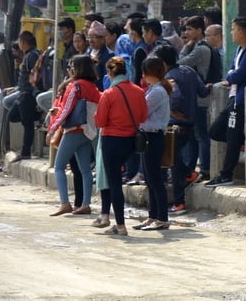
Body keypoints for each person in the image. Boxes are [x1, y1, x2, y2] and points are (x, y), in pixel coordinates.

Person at [153, 45, 209, 215]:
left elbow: (175, 99)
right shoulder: (189, 71)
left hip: (175, 124)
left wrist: (171, 110)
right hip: (190, 122)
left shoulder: (169, 77)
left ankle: (179, 203)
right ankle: (190, 174)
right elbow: (203, 91)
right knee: (176, 159)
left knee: (174, 164)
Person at [94, 57, 147, 236]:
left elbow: (100, 121)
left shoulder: (109, 94)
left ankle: (121, 225)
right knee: (119, 181)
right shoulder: (139, 91)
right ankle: (118, 223)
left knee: (114, 183)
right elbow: (143, 116)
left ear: (110, 73)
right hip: (131, 141)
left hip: (112, 141)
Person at [46, 55, 101, 216]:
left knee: (59, 167)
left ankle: (64, 202)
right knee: (85, 170)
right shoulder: (92, 86)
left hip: (73, 130)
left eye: (72, 66)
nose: (70, 70)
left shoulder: (75, 86)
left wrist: (53, 128)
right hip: (88, 131)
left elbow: (66, 110)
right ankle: (85, 204)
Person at [207, 17, 246, 187]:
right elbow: (231, 71)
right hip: (233, 97)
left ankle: (226, 174)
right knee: (215, 131)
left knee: (232, 136)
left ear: (242, 32)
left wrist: (232, 76)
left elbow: (236, 75)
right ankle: (242, 142)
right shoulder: (239, 49)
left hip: (241, 100)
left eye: (233, 29)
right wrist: (232, 75)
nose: (231, 32)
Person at [132, 57, 172, 231]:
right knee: (149, 179)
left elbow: (142, 111)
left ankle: (162, 218)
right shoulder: (153, 89)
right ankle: (153, 215)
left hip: (154, 136)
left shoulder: (157, 91)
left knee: (155, 179)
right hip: (148, 136)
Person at [178, 15, 214, 183]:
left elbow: (181, 63)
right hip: (198, 97)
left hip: (201, 98)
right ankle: (190, 169)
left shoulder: (200, 49)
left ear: (199, 30)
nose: (187, 32)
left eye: (190, 29)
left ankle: (205, 169)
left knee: (201, 135)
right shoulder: (200, 46)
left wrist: (186, 46)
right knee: (194, 136)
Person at [8, 31, 42, 162]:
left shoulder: (31, 56)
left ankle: (25, 151)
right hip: (23, 93)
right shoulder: (29, 55)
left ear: (23, 42)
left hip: (28, 94)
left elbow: (34, 76)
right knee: (13, 115)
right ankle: (39, 116)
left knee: (27, 124)